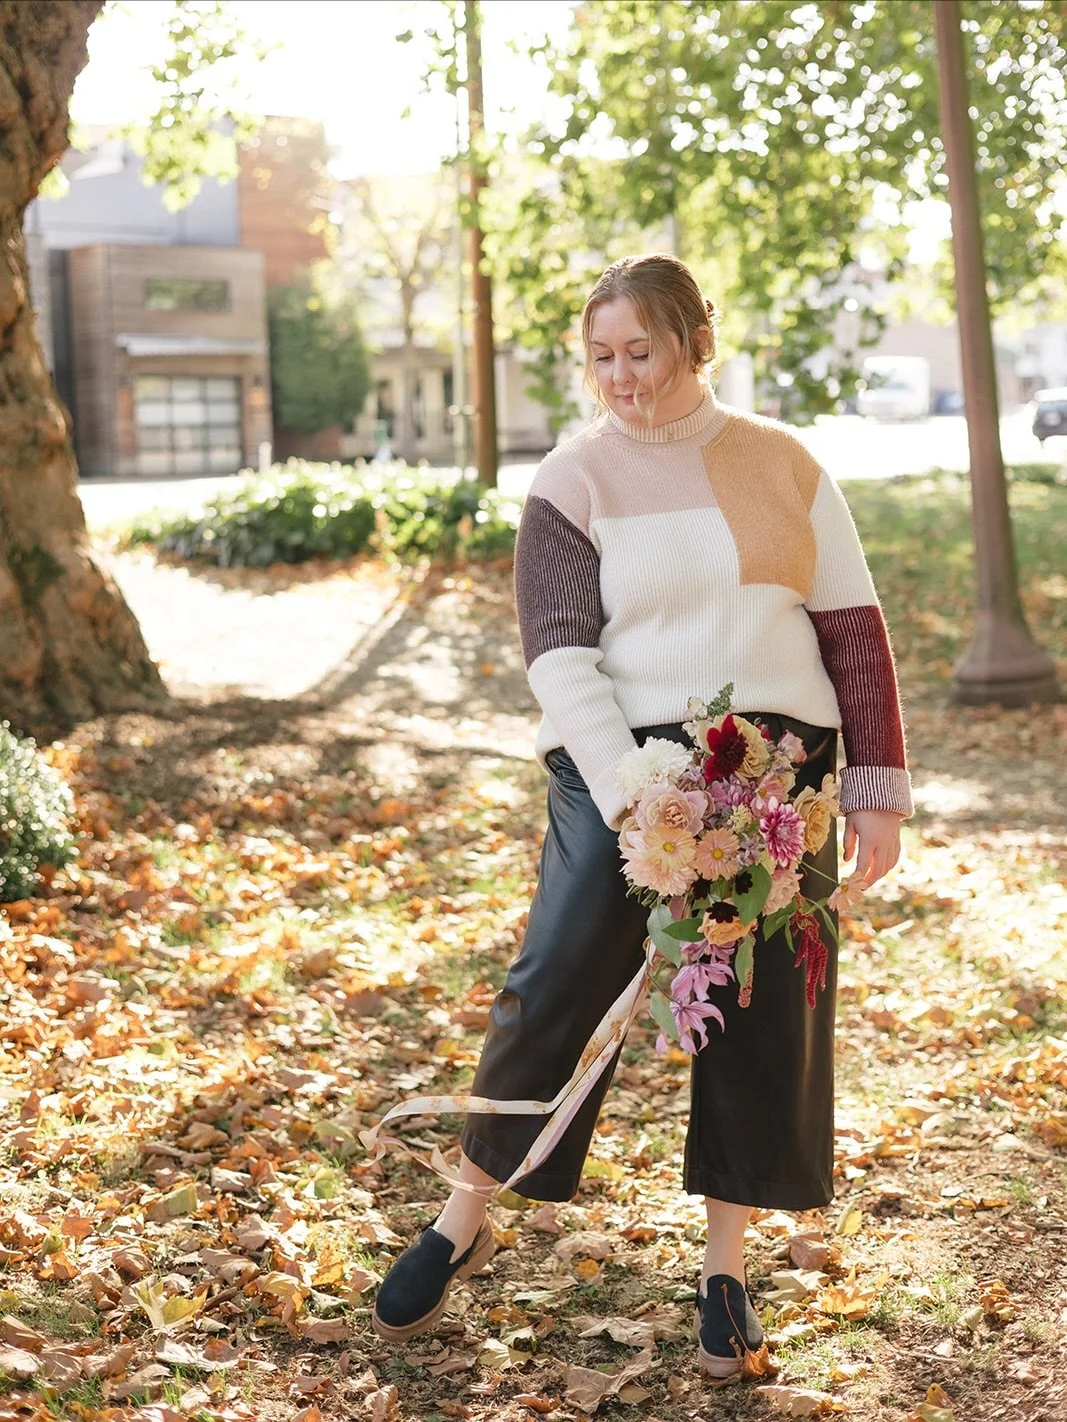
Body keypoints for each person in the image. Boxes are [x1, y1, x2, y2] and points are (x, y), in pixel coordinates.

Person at [371, 253, 910, 1377]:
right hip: (620, 766)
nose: (620, 377)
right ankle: (463, 1213)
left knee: (764, 1018)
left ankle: (724, 1270)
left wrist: (872, 794)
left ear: (691, 344)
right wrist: (635, 795)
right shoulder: (571, 480)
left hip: (777, 773)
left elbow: (851, 630)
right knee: (553, 982)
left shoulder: (782, 463)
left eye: (641, 352)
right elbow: (559, 660)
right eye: (600, 356)